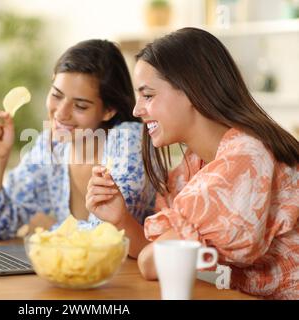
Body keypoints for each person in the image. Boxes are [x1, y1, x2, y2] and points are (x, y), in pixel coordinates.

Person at [86, 28, 298, 299]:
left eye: (148, 95)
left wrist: (155, 252)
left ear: (192, 90)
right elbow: (164, 256)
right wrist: (120, 219)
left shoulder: (247, 156)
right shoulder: (194, 162)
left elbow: (153, 263)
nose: (137, 110)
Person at [0, 39, 155, 250]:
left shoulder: (129, 142)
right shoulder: (52, 145)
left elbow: (107, 239)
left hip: (129, 279)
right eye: (56, 95)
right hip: (76, 276)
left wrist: (48, 227)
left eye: (80, 106)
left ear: (108, 110)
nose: (61, 113)